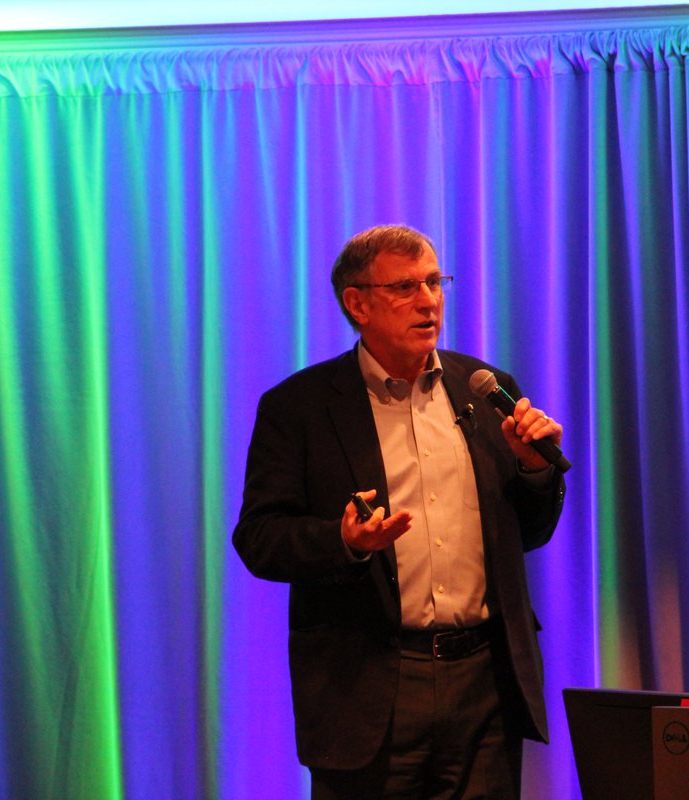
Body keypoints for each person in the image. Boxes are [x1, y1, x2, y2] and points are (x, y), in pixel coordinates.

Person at [232, 224, 566, 799]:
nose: (429, 300)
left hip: (484, 684)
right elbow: (259, 538)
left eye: (435, 282)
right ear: (356, 303)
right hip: (369, 687)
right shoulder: (300, 408)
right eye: (406, 287)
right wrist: (344, 542)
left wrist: (536, 470)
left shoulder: (486, 390)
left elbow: (526, 535)